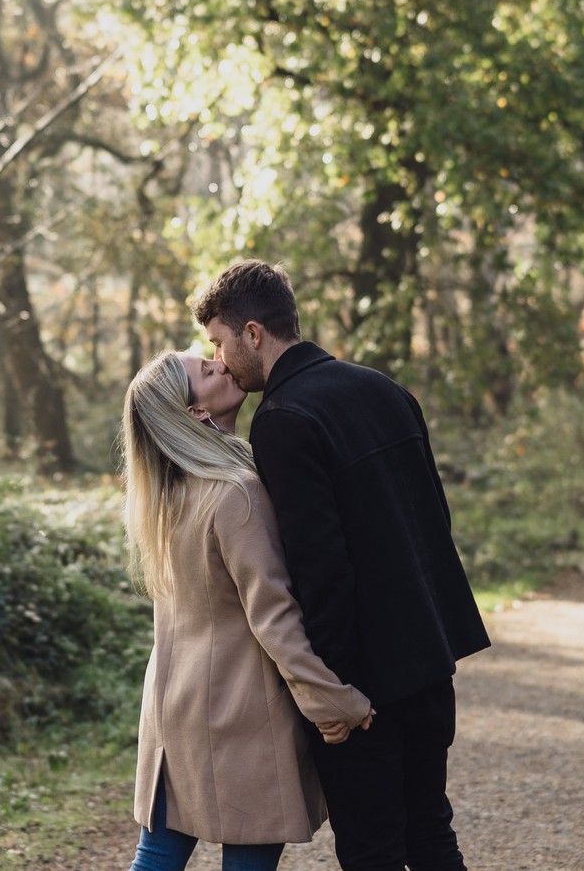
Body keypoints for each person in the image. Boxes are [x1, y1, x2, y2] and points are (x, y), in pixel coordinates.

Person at [192, 260, 491, 871]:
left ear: (253, 333)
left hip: (365, 687)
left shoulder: (282, 420)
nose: (219, 361)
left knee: (372, 851)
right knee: (432, 835)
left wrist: (331, 695)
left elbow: (319, 572)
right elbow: (434, 520)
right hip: (429, 658)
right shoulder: (384, 388)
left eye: (219, 342)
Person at [121, 350, 375, 871]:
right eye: (205, 372)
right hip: (239, 712)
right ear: (194, 413)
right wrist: (332, 701)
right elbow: (273, 616)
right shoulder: (237, 491)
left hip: (173, 707)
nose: (220, 364)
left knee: (157, 859)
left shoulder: (166, 498)